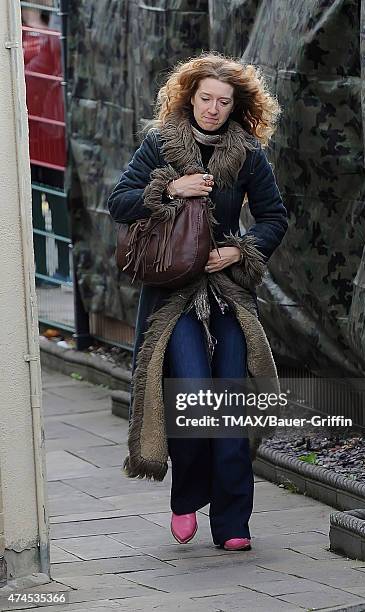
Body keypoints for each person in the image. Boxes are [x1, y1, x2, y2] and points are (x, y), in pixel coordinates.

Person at [107, 52, 288, 552]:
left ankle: (232, 522)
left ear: (236, 106)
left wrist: (236, 250)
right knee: (189, 396)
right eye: (205, 98)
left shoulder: (249, 153)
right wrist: (169, 187)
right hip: (173, 295)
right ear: (190, 97)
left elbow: (274, 217)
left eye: (223, 102)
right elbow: (119, 202)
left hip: (228, 292)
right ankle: (187, 495)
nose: (212, 108)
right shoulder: (160, 143)